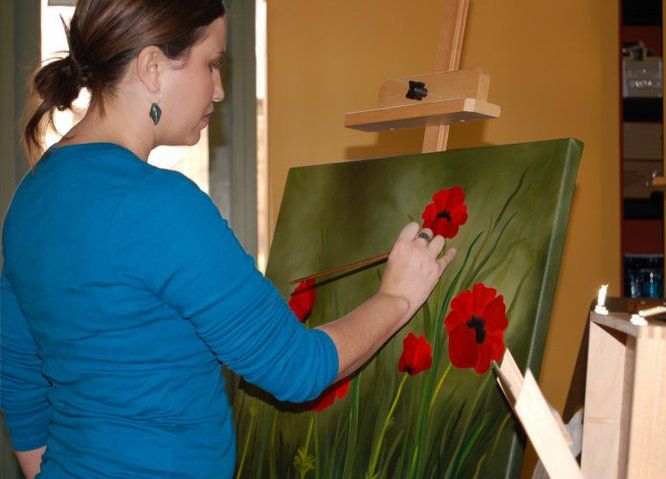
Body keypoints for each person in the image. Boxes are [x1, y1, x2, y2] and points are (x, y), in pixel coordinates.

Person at [0, 1, 456, 478]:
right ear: (152, 66)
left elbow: (21, 387)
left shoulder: (31, 196)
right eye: (211, 64)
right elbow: (296, 368)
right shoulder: (158, 205)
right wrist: (397, 297)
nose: (218, 90)